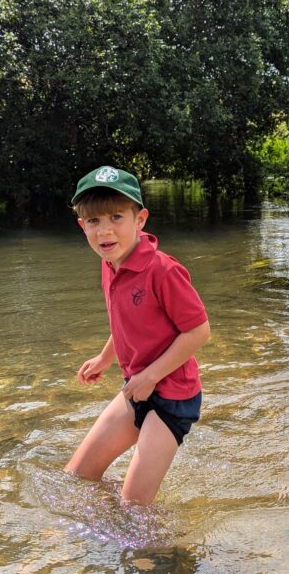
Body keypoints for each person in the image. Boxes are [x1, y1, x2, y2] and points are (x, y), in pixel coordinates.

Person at [65, 165, 210, 505]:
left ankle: (159, 554)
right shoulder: (110, 263)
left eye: (116, 217)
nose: (105, 231)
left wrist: (149, 376)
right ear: (82, 226)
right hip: (137, 389)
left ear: (140, 219)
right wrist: (106, 357)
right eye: (94, 221)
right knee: (77, 478)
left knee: (135, 508)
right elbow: (127, 321)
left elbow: (199, 330)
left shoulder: (162, 270)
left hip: (172, 397)